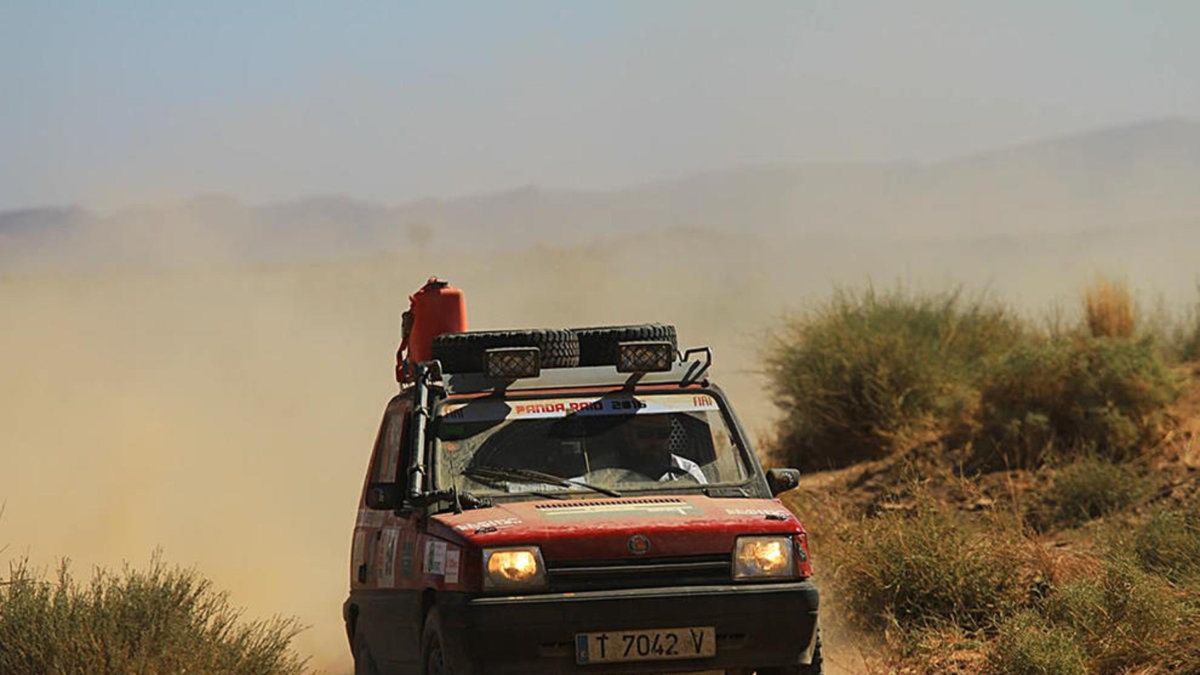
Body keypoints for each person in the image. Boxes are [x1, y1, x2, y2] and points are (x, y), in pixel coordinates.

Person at [619, 414, 707, 484]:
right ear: (628, 434)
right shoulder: (612, 473)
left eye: (663, 433)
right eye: (645, 433)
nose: (655, 442)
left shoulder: (687, 469)